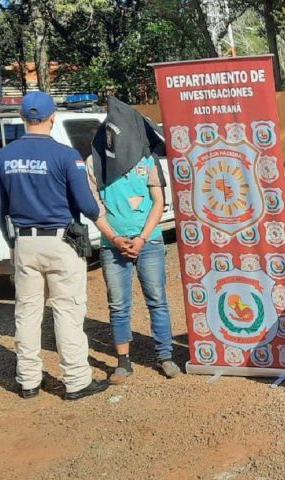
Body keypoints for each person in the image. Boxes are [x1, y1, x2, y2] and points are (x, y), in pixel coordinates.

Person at [0, 91, 110, 400]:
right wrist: (109, 228)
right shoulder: (66, 155)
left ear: (22, 119)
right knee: (67, 311)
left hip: (25, 242)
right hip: (62, 242)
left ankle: (27, 380)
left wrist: (12, 243)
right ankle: (76, 380)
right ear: (52, 117)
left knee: (27, 313)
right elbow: (87, 204)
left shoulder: (4, 156)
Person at [87, 97, 180, 384]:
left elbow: (158, 201)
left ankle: (165, 356)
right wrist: (115, 238)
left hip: (148, 243)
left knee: (157, 300)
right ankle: (123, 362)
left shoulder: (147, 161)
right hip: (111, 246)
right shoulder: (94, 162)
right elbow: (95, 208)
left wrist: (140, 238)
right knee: (118, 304)